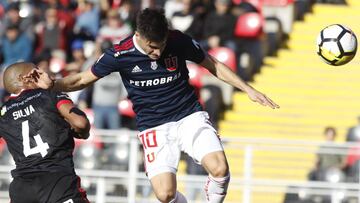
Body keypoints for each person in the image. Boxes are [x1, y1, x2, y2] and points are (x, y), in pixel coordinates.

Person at [26, 8, 279, 203]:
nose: (158, 52)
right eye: (152, 47)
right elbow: (82, 79)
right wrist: (54, 85)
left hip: (188, 115)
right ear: (138, 36)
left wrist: (248, 89)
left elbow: (212, 64)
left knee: (220, 169)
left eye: (162, 46)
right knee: (165, 195)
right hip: (153, 126)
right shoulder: (120, 54)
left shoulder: (178, 40)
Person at [0, 62, 90, 203]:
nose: (42, 74)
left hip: (21, 190)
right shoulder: (49, 95)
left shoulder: (3, 112)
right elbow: (80, 123)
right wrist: (80, 133)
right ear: (25, 79)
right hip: (57, 182)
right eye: (36, 72)